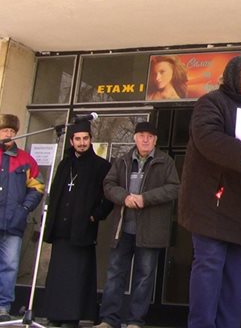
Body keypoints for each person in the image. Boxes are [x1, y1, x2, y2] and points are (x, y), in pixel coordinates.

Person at [178, 55, 241, 328]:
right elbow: (206, 137)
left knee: (235, 273)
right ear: (233, 75)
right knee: (209, 267)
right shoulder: (211, 102)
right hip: (211, 203)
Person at [94, 121, 180, 328]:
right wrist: (124, 197)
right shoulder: (122, 160)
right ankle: (108, 319)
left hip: (150, 231)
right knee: (115, 274)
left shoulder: (165, 161)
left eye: (150, 136)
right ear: (134, 137)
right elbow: (108, 185)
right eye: (141, 135)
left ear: (155, 140)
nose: (145, 139)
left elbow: (174, 188)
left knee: (144, 277)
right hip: (122, 229)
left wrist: (145, 198)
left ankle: (135, 321)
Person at [43, 120, 113, 328]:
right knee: (58, 275)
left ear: (91, 140)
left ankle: (73, 316)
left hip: (82, 230)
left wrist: (95, 215)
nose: (82, 143)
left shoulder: (101, 166)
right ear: (72, 141)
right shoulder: (65, 164)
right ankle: (55, 314)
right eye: (77, 139)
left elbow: (108, 196)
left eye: (85, 139)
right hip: (61, 230)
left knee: (78, 276)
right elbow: (55, 193)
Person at [0, 114, 44, 321]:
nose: (8, 134)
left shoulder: (26, 159)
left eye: (11, 131)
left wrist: (24, 209)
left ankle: (3, 307)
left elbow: (37, 188)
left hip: (13, 223)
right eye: (4, 131)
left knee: (9, 266)